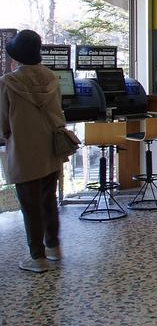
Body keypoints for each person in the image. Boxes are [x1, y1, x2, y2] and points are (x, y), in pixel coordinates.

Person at [0, 30, 66, 273]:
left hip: (24, 148)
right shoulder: (51, 77)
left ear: (17, 57)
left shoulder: (8, 82)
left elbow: (3, 123)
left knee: (30, 203)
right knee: (48, 198)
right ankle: (53, 247)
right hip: (51, 146)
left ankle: (37, 257)